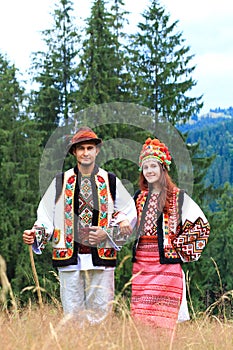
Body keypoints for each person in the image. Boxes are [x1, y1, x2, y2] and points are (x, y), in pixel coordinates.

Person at [23, 126, 137, 325]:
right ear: (74, 152)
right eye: (81, 148)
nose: (86, 152)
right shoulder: (60, 182)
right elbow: (45, 215)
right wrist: (36, 234)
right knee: (72, 316)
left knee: (101, 314)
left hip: (101, 255)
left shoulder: (110, 181)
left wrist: (107, 233)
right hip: (69, 256)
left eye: (90, 148)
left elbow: (130, 213)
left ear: (97, 150)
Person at [131, 137, 210, 331]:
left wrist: (180, 246)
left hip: (167, 268)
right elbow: (125, 226)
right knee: (141, 320)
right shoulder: (138, 198)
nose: (149, 171)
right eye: (146, 167)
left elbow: (201, 225)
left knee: (163, 322)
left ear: (163, 169)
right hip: (141, 265)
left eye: (153, 166)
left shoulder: (178, 196)